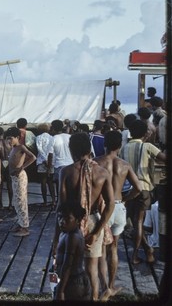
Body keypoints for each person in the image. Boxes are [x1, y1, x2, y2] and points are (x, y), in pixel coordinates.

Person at [53, 132, 114, 300]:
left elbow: (61, 207)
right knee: (91, 267)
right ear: (89, 149)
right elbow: (110, 204)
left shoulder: (66, 172)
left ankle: (65, 295)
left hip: (72, 222)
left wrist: (56, 238)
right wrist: (96, 232)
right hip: (94, 221)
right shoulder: (101, 173)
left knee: (69, 266)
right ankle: (94, 298)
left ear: (71, 150)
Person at [94, 130, 142, 301]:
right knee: (113, 247)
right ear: (120, 146)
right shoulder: (125, 165)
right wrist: (125, 199)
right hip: (119, 206)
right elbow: (138, 188)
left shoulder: (96, 162)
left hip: (102, 208)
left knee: (100, 248)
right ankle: (112, 286)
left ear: (105, 144)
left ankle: (103, 287)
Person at [120, 120, 166, 265]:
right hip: (144, 188)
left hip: (129, 188)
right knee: (139, 222)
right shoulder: (147, 146)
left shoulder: (124, 148)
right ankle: (135, 255)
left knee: (135, 222)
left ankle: (147, 250)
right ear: (145, 133)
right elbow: (165, 159)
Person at [54, 201, 91, 300]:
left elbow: (68, 265)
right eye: (60, 217)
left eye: (67, 218)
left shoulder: (72, 237)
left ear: (78, 220)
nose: (62, 221)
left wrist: (60, 290)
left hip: (72, 282)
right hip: (72, 280)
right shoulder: (67, 233)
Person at [6, 127, 37, 236]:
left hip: (20, 176)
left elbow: (33, 157)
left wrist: (22, 167)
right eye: (7, 138)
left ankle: (25, 227)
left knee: (21, 200)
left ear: (17, 138)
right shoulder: (13, 148)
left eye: (11, 138)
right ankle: (20, 223)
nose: (9, 140)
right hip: (14, 177)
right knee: (17, 201)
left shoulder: (21, 147)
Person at [35, 123, 55, 206]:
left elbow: (39, 149)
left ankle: (45, 201)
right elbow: (52, 150)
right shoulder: (52, 137)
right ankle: (53, 200)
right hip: (51, 161)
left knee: (43, 181)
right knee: (50, 182)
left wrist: (44, 159)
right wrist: (48, 160)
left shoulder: (38, 137)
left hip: (41, 161)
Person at [51, 119, 73, 195]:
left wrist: (50, 167)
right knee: (70, 187)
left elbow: (51, 154)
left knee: (60, 187)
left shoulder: (53, 138)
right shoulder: (70, 137)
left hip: (59, 166)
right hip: (71, 165)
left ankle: (59, 203)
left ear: (53, 128)